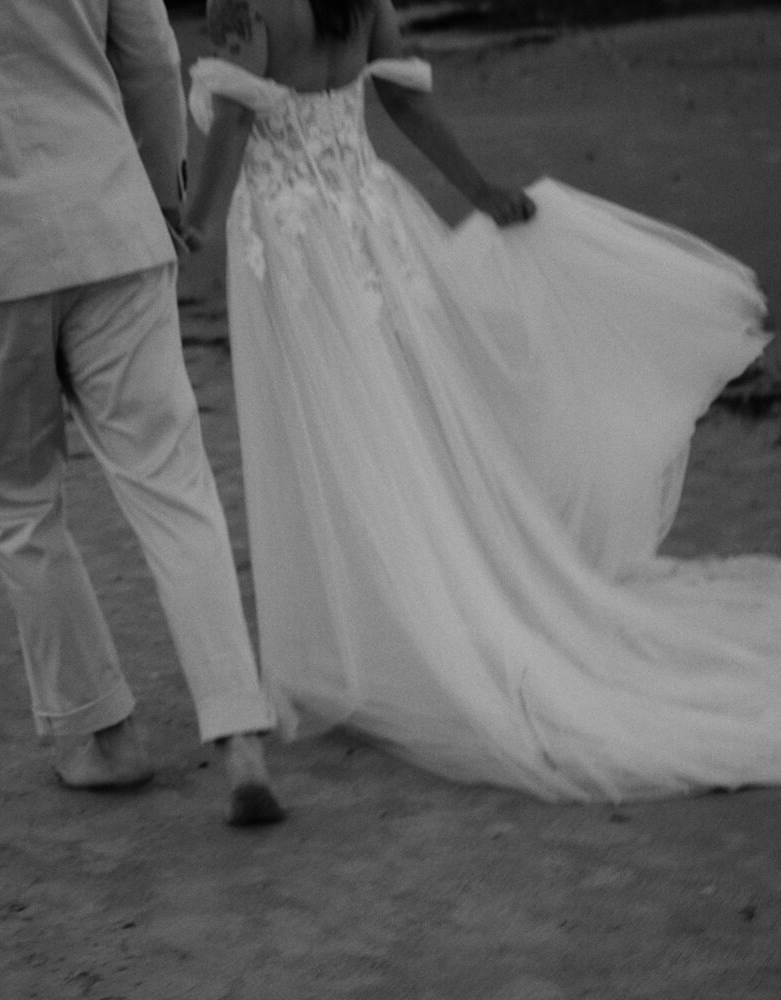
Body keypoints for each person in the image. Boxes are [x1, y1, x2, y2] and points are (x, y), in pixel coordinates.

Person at [182, 0, 781, 803]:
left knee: (325, 432)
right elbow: (404, 99)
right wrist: (480, 190)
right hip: (369, 221)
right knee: (393, 422)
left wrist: (192, 226)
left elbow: (233, 122)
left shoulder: (248, 4)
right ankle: (391, 626)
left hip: (291, 245)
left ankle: (374, 639)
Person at [0, 0, 284, 826]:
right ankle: (239, 731)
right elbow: (150, 56)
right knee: (173, 480)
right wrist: (159, 197)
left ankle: (103, 736)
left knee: (16, 506)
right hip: (111, 224)